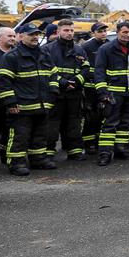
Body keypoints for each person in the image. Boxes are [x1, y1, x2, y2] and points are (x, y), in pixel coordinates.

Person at [0, 24, 59, 176]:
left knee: (40, 135)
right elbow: (4, 82)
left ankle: (38, 159)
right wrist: (10, 103)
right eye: (31, 34)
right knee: (19, 137)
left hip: (42, 104)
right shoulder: (11, 57)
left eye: (37, 34)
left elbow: (53, 74)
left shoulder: (44, 53)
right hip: (21, 107)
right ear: (21, 36)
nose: (35, 37)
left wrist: (53, 93)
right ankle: (16, 163)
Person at [93, 21, 129, 166]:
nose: (128, 35)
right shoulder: (106, 49)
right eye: (125, 32)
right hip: (113, 93)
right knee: (110, 123)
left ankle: (120, 149)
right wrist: (103, 92)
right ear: (118, 32)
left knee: (125, 123)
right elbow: (99, 71)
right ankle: (105, 153)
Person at [42, 19, 89, 162]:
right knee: (52, 124)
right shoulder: (47, 49)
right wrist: (63, 82)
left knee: (74, 122)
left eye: (72, 30)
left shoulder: (79, 49)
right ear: (58, 32)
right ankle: (48, 152)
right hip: (56, 93)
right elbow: (46, 70)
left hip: (74, 93)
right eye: (66, 30)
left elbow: (86, 68)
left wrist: (77, 81)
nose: (69, 33)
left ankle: (74, 151)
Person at [81, 21, 109, 154]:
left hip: (104, 86)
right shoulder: (87, 47)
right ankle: (88, 142)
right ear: (93, 33)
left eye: (105, 31)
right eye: (100, 31)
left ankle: (98, 140)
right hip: (90, 87)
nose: (103, 34)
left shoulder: (109, 45)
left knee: (103, 114)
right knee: (90, 115)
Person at [0, 27, 18, 165]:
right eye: (9, 36)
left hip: (12, 97)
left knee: (8, 127)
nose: (12, 38)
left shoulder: (17, 53)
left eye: (14, 36)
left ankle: (4, 152)